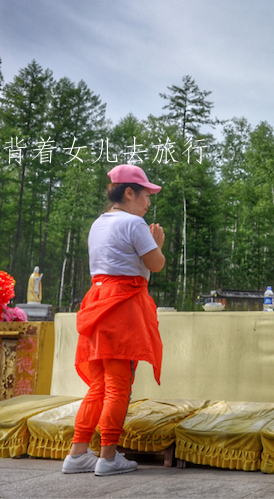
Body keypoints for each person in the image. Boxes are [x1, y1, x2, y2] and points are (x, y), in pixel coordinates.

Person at [61, 164, 165, 477]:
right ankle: (108, 455)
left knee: (99, 385)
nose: (148, 202)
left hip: (97, 301)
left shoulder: (98, 224)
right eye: (146, 195)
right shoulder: (135, 224)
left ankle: (78, 453)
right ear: (129, 192)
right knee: (118, 385)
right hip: (121, 306)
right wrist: (157, 242)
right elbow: (155, 265)